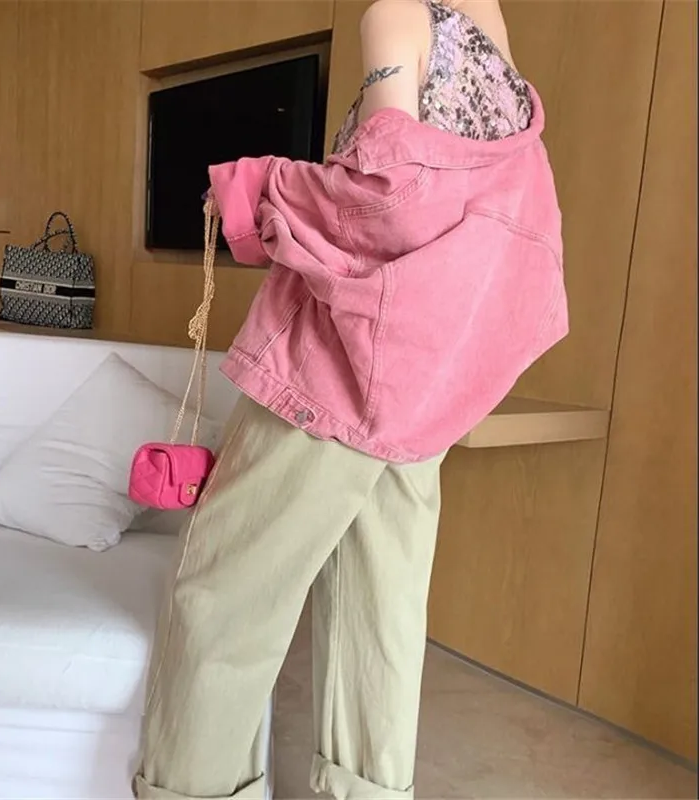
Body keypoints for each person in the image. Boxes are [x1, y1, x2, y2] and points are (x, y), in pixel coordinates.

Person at [134, 0, 567, 798]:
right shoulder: (488, 23)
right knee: (380, 619)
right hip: (422, 388)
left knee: (223, 601)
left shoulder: (395, 15)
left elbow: (387, 198)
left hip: (331, 376)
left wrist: (259, 185)